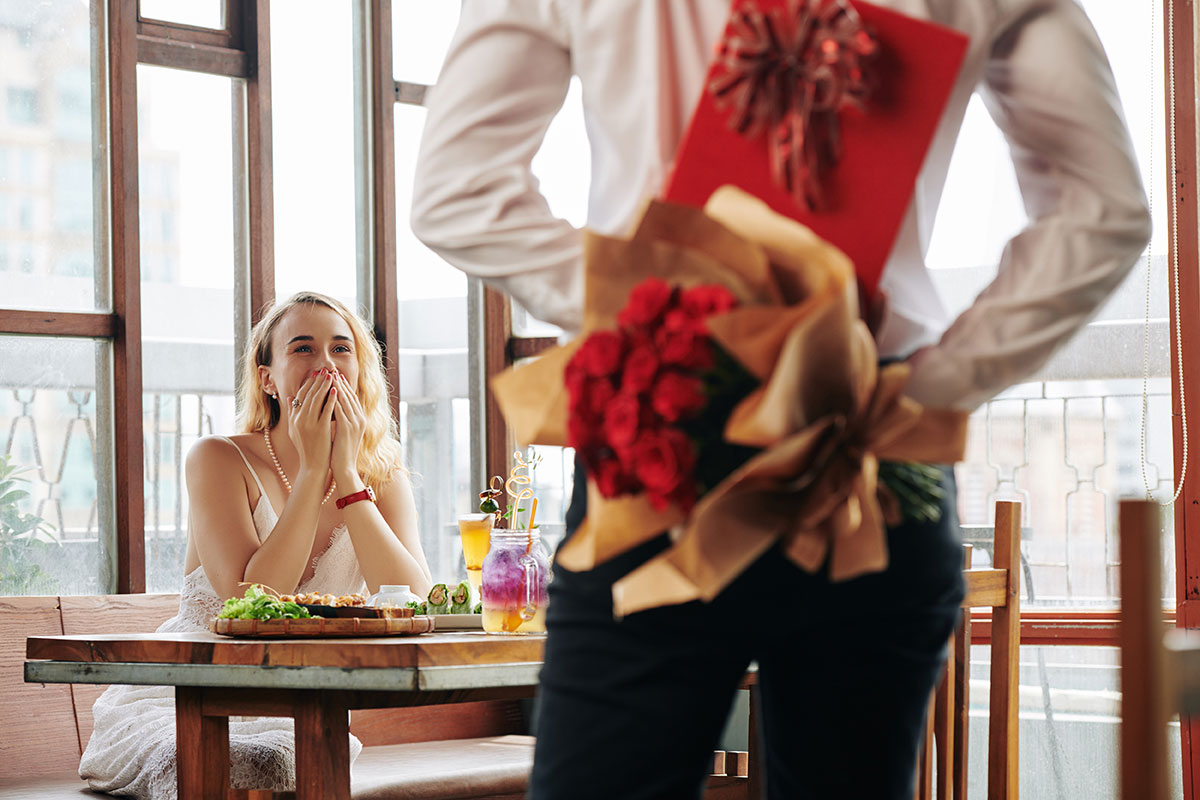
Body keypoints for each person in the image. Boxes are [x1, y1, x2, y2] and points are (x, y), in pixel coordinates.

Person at [412, 2, 1151, 797]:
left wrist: (658, 303)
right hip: (871, 438)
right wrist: (934, 383)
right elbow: (1102, 208)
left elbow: (457, 191)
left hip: (663, 434)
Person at [79, 291, 432, 799]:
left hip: (303, 708)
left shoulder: (383, 474)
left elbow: (414, 598)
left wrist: (348, 475)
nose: (325, 365)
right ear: (267, 377)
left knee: (278, 764)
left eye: (341, 349)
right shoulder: (217, 459)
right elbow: (248, 599)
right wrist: (314, 470)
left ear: (359, 369)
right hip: (185, 698)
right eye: (303, 349)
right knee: (239, 767)